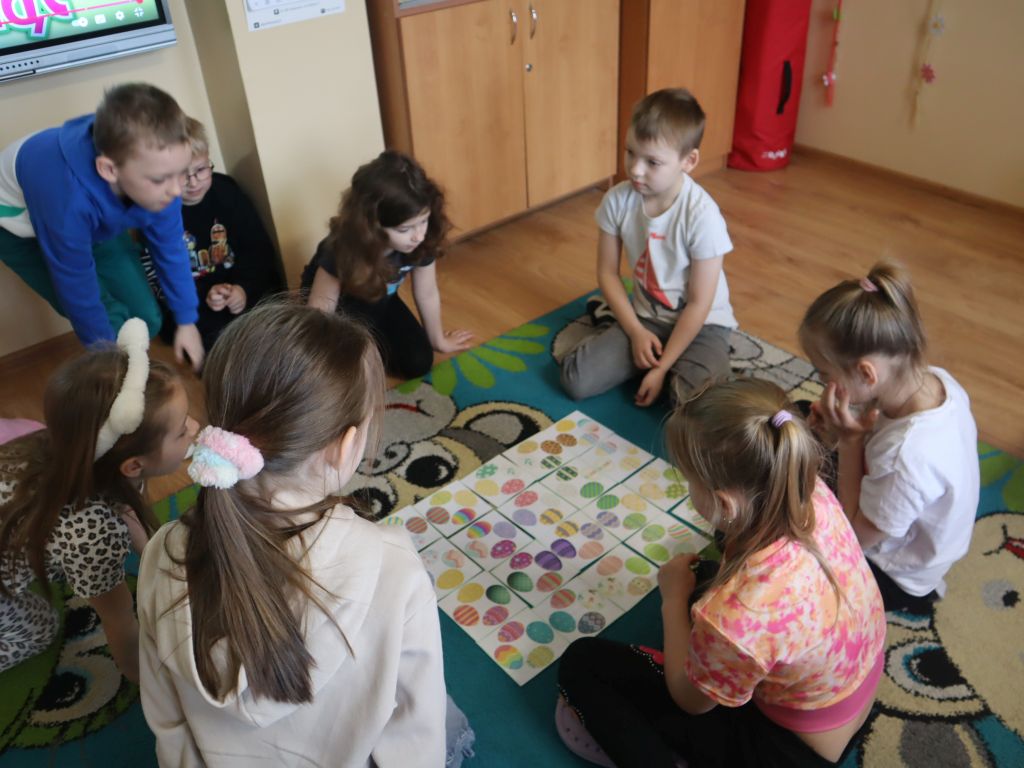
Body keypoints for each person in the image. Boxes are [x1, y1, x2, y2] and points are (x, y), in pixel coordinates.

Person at [137, 303, 448, 766]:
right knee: (451, 717)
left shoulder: (161, 552)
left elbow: (167, 722)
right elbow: (417, 740)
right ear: (345, 446)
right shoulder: (395, 568)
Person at [557, 378, 886, 768]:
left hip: (788, 752)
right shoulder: (807, 487)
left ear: (726, 504)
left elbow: (689, 701)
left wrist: (673, 599)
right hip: (853, 688)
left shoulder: (736, 613)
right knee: (709, 580)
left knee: (582, 664)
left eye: (689, 479)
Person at [0, 319, 198, 681]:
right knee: (42, 628)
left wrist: (155, 554)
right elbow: (119, 620)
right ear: (133, 465)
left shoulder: (80, 446)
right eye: (183, 429)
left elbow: (128, 508)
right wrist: (142, 678)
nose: (196, 427)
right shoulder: (94, 536)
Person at [799, 263, 979, 612]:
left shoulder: (907, 457)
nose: (823, 384)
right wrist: (845, 434)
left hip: (894, 574)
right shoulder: (937, 381)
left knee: (787, 534)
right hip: (902, 523)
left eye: (824, 375)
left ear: (867, 374)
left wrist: (849, 442)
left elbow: (854, 538)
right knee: (799, 418)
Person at [0, 83, 204, 370]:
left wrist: (187, 320)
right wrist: (109, 359)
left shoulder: (161, 178)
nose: (176, 190)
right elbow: (76, 287)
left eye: (181, 173)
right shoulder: (69, 201)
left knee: (147, 317)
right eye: (161, 179)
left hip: (91, 212)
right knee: (110, 321)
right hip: (15, 227)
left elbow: (170, 248)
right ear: (109, 169)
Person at [560, 88, 737, 406]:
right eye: (631, 152)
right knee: (576, 378)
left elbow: (699, 304)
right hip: (647, 318)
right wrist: (635, 332)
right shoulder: (616, 200)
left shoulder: (703, 216)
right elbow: (607, 273)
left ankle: (672, 367)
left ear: (689, 161)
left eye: (652, 162)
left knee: (693, 401)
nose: (636, 169)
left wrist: (661, 368)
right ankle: (649, 355)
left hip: (704, 325)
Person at [303, 150, 473, 379]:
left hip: (380, 299)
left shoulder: (420, 240)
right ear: (371, 226)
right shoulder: (340, 249)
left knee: (419, 362)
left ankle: (370, 343)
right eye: (404, 229)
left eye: (423, 221)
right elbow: (320, 312)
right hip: (338, 310)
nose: (418, 235)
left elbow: (427, 293)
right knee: (349, 373)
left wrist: (438, 340)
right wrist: (321, 362)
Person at [142, 117, 282, 353]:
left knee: (273, 316)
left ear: (208, 161)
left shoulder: (226, 192)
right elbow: (158, 275)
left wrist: (243, 288)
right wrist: (203, 296)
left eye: (201, 170)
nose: (193, 182)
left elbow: (257, 249)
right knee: (205, 339)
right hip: (193, 302)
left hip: (241, 288)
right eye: (182, 175)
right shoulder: (156, 210)